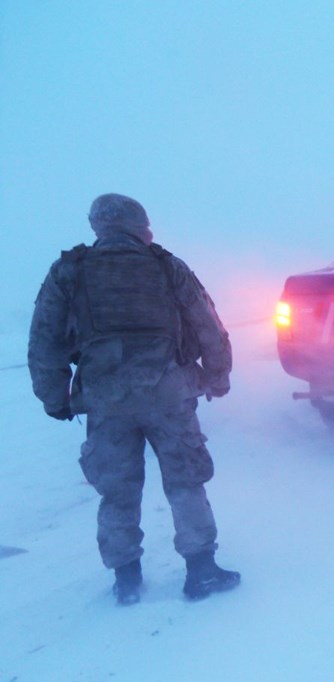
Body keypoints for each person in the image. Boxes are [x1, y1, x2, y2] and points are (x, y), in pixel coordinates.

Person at [28, 193, 239, 605]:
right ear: (141, 226)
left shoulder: (69, 272)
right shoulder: (166, 265)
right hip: (170, 395)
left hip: (107, 402)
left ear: (99, 226)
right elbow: (208, 325)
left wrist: (54, 397)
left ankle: (126, 581)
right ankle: (201, 571)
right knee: (186, 484)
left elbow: (45, 339)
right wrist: (218, 376)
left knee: (117, 491)